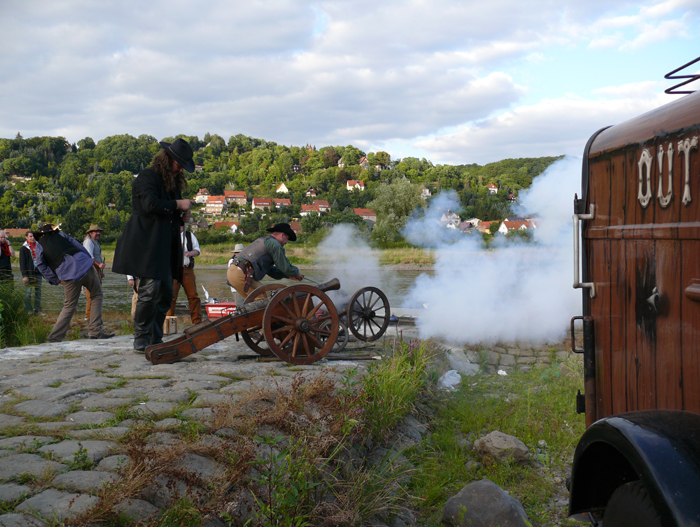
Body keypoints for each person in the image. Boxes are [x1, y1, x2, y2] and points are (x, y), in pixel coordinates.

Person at [112, 138, 195, 352]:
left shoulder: (173, 184)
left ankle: (155, 337)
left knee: (166, 293)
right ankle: (141, 338)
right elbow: (150, 205)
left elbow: (170, 214)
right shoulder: (147, 176)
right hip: (147, 243)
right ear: (167, 159)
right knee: (149, 291)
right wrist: (178, 204)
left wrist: (182, 217)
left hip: (166, 246)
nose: (180, 170)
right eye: (178, 164)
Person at [33, 224, 114, 342]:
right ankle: (95, 331)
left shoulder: (39, 246)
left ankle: (55, 337)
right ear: (53, 231)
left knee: (69, 306)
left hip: (67, 274)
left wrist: (55, 280)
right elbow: (80, 247)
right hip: (84, 266)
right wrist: (89, 262)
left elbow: (41, 266)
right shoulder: (62, 235)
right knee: (97, 295)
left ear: (40, 235)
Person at [227, 223, 304, 299]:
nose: (286, 242)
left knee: (252, 302)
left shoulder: (263, 241)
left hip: (232, 273)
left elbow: (271, 271)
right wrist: (296, 273)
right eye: (287, 238)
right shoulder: (275, 244)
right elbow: (285, 267)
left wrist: (288, 275)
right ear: (282, 235)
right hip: (242, 273)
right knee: (266, 299)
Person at [166, 225, 202, 325]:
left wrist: (190, 253)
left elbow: (197, 250)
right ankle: (169, 323)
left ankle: (197, 322)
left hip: (187, 269)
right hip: (173, 270)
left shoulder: (189, 235)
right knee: (171, 297)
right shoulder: (168, 235)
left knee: (193, 296)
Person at [83, 224, 106, 321]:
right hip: (90, 270)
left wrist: (100, 271)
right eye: (96, 231)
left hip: (96, 271)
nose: (98, 233)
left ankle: (93, 316)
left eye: (99, 231)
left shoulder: (95, 242)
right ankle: (88, 317)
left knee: (95, 294)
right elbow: (89, 257)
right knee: (91, 294)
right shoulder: (88, 242)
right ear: (90, 233)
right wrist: (99, 265)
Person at [19, 230, 42, 313]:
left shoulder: (38, 247)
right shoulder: (24, 249)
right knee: (28, 292)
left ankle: (37, 309)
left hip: (38, 272)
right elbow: (22, 263)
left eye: (33, 236)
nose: (32, 238)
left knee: (38, 292)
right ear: (26, 237)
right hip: (29, 273)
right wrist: (24, 275)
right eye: (30, 236)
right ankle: (28, 310)